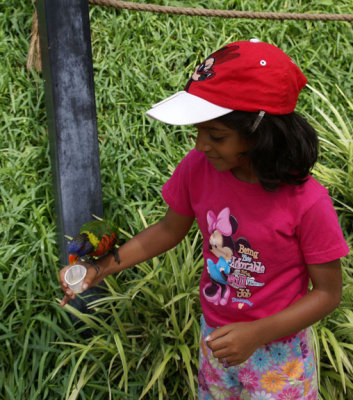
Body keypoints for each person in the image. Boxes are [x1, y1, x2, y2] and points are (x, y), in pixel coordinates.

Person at [59, 39, 350, 399]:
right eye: (199, 130)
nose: (200, 145)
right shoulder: (199, 169)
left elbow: (327, 293)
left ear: (261, 134)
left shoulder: (307, 202)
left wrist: (257, 333)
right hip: (214, 334)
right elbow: (168, 230)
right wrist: (98, 269)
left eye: (216, 135)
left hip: (280, 351)